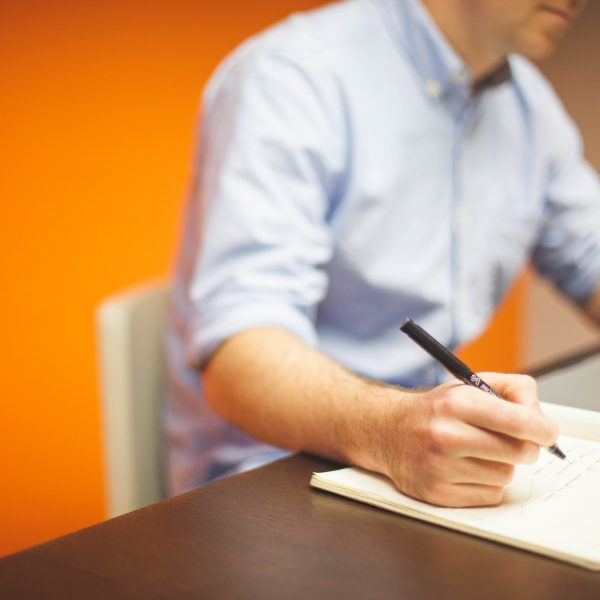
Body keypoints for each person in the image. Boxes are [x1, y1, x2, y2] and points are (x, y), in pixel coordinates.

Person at [166, 0, 600, 506]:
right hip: (271, 479)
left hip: (419, 458)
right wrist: (392, 431)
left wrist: (408, 431)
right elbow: (239, 359)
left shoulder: (528, 106)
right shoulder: (292, 77)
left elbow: (590, 255)